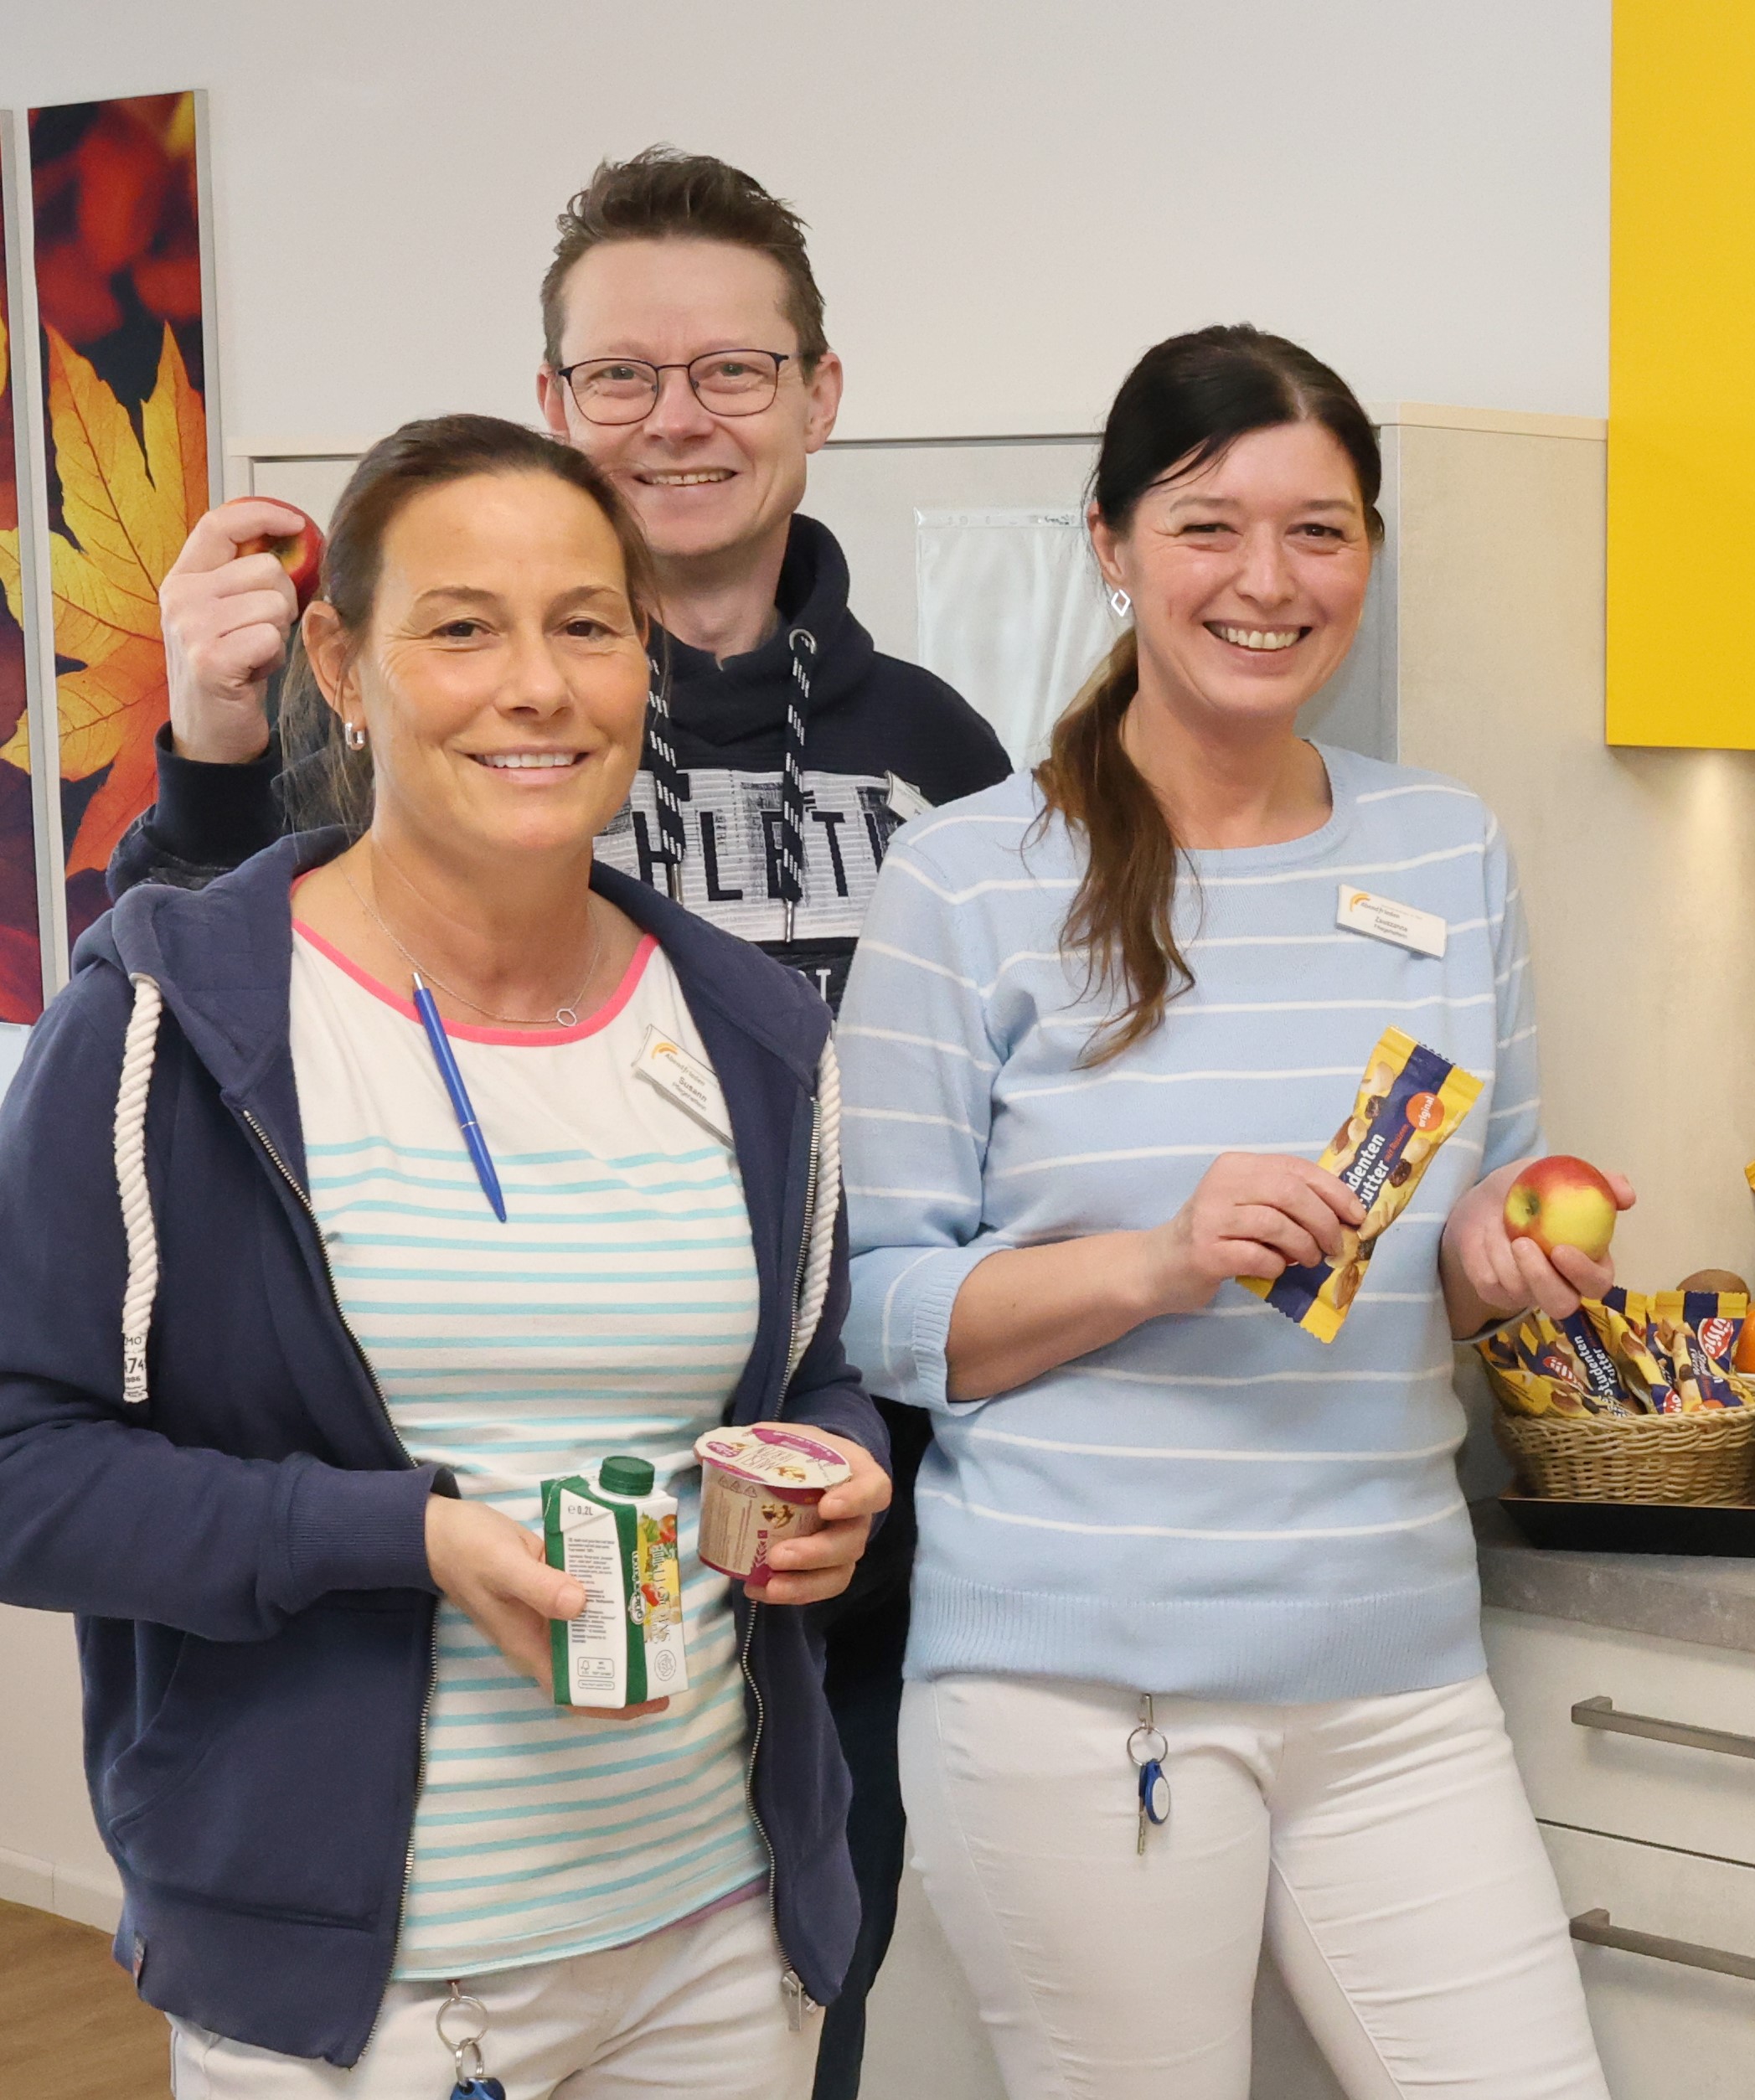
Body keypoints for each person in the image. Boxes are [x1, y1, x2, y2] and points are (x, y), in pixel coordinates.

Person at [126, 147, 1004, 2097]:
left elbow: (979, 1118)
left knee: (799, 2000)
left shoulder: (935, 747)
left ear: (820, 396)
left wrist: (876, 1460)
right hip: (411, 1667)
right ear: (556, 404)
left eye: (732, 373)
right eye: (621, 376)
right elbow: (206, 1013)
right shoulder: (420, 713)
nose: (676, 419)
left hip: (807, 1578)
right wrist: (203, 747)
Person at [0, 413, 890, 2093]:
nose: (535, 687)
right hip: (371, 1988)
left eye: (586, 625)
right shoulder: (174, 1014)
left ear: (644, 663)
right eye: (462, 627)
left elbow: (817, 1378)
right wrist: (400, 1537)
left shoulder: (755, 1033)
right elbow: (22, 1470)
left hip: (718, 1941)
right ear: (342, 661)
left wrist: (834, 1469)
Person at [839, 325, 1616, 2098]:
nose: (1268, 582)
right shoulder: (965, 878)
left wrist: (1515, 1264)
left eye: (1321, 531)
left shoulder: (1446, 846)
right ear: (1109, 545)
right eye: (1208, 526)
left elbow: (1480, 1243)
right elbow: (877, 1312)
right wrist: (1158, 1263)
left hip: (1396, 1661)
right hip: (1081, 1684)